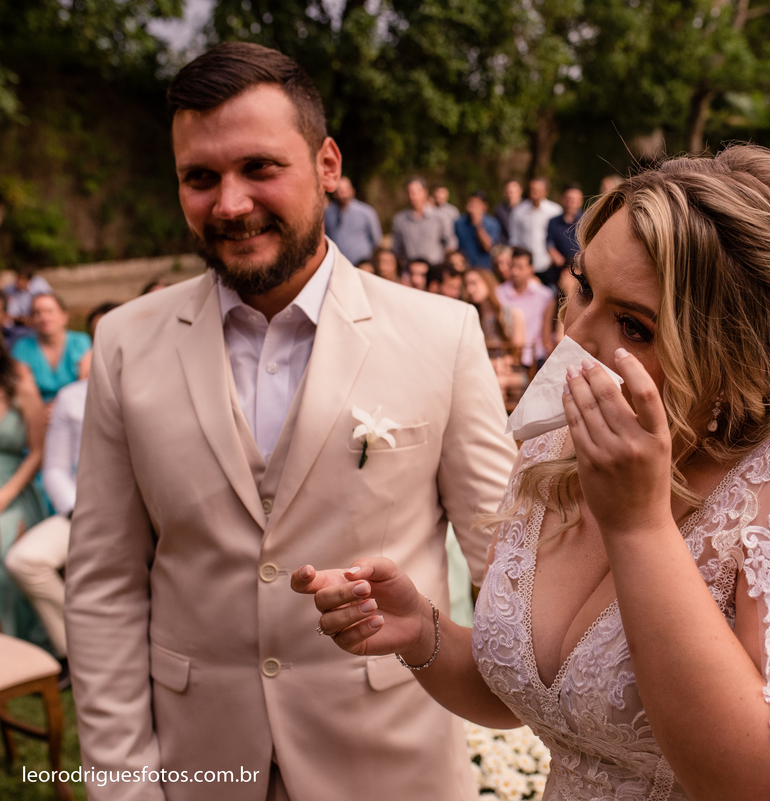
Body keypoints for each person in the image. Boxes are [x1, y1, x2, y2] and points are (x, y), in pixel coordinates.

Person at [295, 144, 770, 801]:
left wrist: (639, 528)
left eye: (634, 325)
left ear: (735, 348)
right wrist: (424, 633)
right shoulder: (556, 445)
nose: (573, 337)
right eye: (581, 286)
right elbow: (547, 700)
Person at [64, 42, 517, 801]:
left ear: (328, 164)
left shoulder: (443, 334)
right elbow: (104, 584)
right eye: (200, 178)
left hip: (391, 765)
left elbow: (509, 568)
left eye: (259, 168)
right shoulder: (123, 342)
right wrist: (124, 785)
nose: (230, 204)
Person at [5, 306, 112, 674]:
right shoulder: (71, 396)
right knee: (24, 560)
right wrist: (76, 510)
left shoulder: (167, 387)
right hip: (84, 511)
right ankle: (76, 653)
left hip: (151, 518)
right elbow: (53, 466)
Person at [0, 341, 49, 653]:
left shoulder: (21, 389)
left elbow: (38, 452)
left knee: (5, 561)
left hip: (12, 488)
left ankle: (21, 644)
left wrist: (6, 494)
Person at [11, 294, 92, 402]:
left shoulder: (80, 342)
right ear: (31, 319)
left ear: (64, 316)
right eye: (37, 313)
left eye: (50, 311)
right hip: (36, 410)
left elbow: (84, 385)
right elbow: (25, 390)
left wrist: (60, 408)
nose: (44, 318)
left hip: (75, 406)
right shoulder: (22, 347)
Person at [463, 268, 527, 403]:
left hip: (510, 372)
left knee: (496, 382)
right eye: (467, 285)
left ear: (487, 283)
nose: (470, 289)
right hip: (483, 372)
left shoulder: (513, 314)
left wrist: (497, 363)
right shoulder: (472, 318)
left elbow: (517, 355)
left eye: (474, 283)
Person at [494, 247, 554, 370]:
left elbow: (547, 330)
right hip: (508, 358)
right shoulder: (498, 293)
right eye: (512, 267)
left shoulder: (545, 295)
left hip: (538, 357)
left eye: (520, 267)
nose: (515, 272)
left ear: (531, 269)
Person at [391, 176, 458, 268]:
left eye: (415, 192)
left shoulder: (440, 217)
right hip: (411, 271)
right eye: (409, 193)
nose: (412, 196)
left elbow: (451, 243)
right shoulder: (400, 219)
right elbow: (397, 249)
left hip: (434, 269)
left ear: (425, 193)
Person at [507, 177, 563, 284]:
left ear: (545, 192)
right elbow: (514, 239)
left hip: (549, 265)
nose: (534, 193)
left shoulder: (555, 211)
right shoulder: (519, 211)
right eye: (532, 189)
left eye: (538, 190)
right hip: (526, 267)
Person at [323, 176, 382, 267]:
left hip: (362, 267)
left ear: (352, 191)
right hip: (337, 266)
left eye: (345, 189)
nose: (342, 193)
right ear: (334, 193)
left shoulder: (366, 212)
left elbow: (377, 241)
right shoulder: (328, 213)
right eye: (339, 190)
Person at [453, 191, 502, 270]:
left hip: (484, 268)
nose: (472, 206)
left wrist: (478, 225)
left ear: (484, 207)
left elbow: (488, 247)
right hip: (465, 268)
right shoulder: (459, 223)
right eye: (471, 202)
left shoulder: (492, 223)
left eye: (476, 204)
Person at [546, 183, 584, 280]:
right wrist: (562, 263)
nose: (570, 203)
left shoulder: (587, 221)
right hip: (558, 270)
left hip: (582, 270)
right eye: (568, 199)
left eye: (574, 200)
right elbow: (549, 245)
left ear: (580, 202)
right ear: (562, 199)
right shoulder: (553, 222)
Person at [494, 179, 523, 244]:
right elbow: (498, 232)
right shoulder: (500, 210)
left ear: (520, 191)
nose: (511, 195)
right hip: (506, 245)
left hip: (524, 245)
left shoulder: (528, 207)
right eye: (509, 192)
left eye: (514, 192)